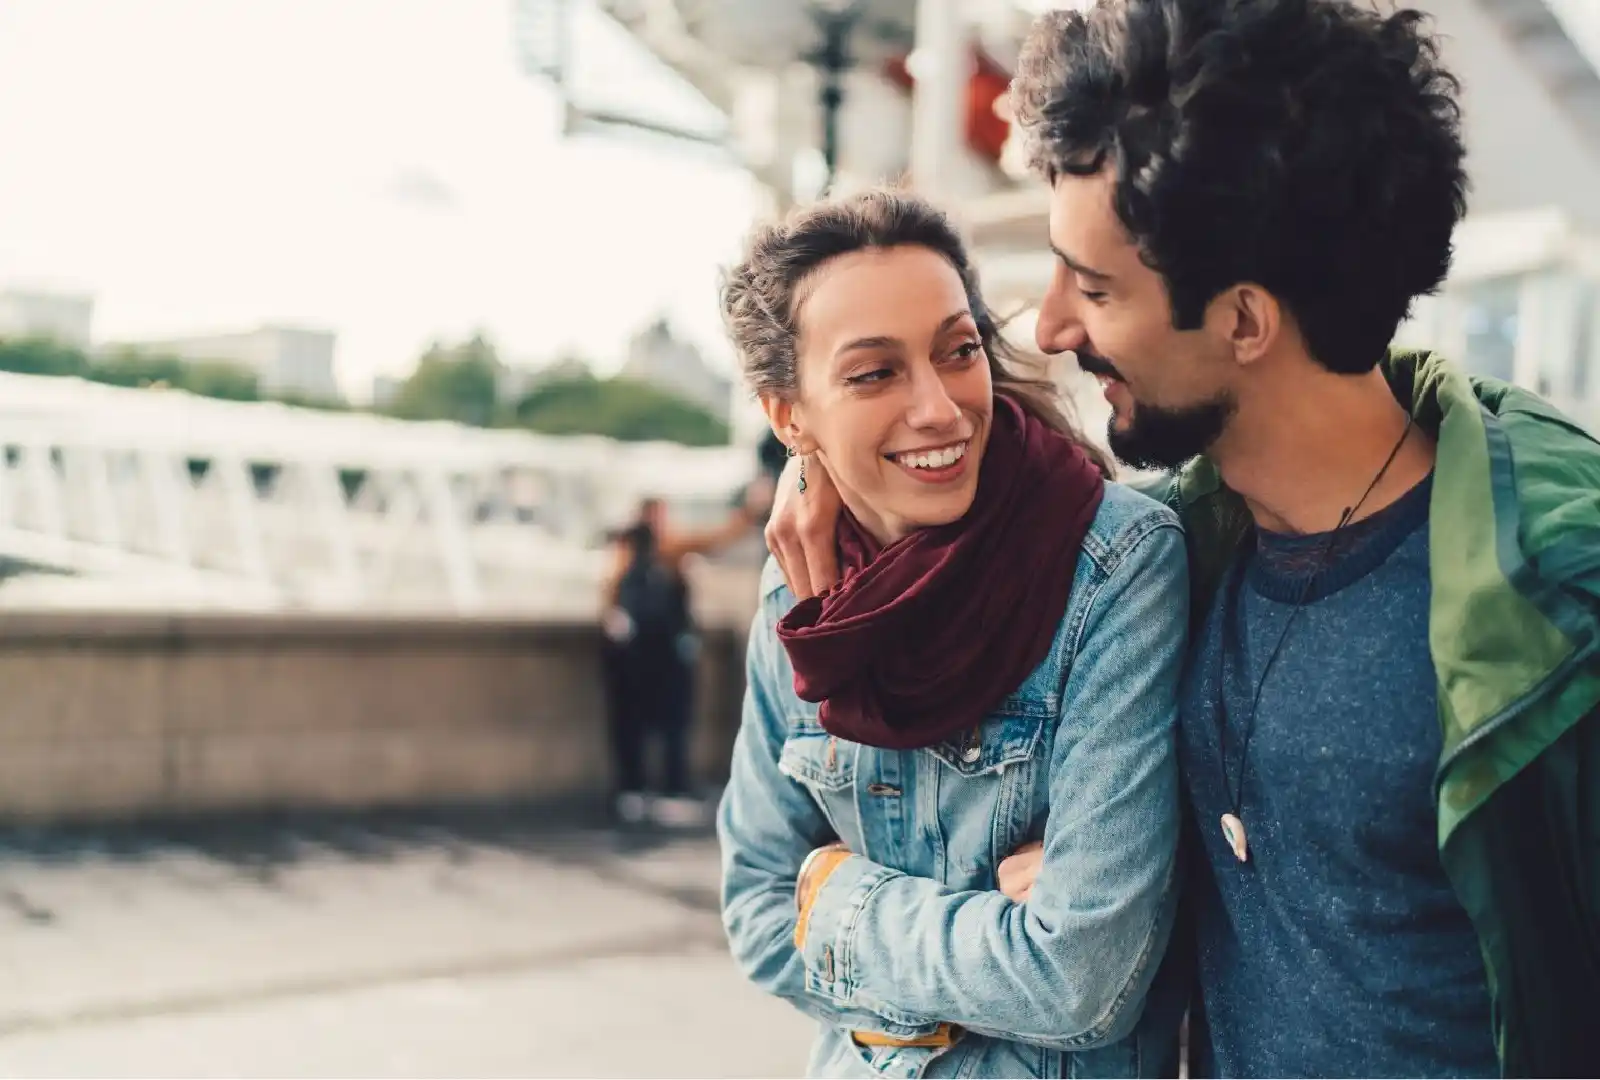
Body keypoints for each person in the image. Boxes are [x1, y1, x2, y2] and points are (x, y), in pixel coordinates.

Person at [764, 2, 1600, 1077]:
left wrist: (843, 910)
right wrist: (828, 465)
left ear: (1245, 322)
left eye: (1095, 287)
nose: (1052, 325)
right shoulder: (1165, 553)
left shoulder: (1554, 608)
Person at [716, 188, 1190, 1079]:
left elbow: (1081, 979)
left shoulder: (1116, 562)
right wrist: (990, 949)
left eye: (956, 350)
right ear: (790, 416)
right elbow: (754, 911)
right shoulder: (799, 593)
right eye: (873, 373)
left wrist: (838, 901)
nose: (938, 408)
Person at [601, 494, 758, 827]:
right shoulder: (663, 550)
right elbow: (717, 538)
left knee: (641, 724)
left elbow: (610, 600)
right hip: (658, 654)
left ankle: (640, 790)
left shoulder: (628, 554)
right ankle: (660, 790)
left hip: (641, 655)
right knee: (663, 723)